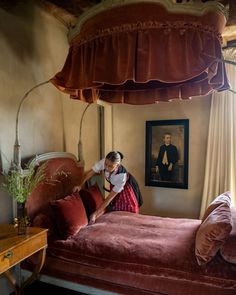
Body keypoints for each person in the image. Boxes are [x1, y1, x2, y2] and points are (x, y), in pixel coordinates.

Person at [73, 151, 143, 224]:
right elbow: (90, 173)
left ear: (117, 165)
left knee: (127, 213)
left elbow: (109, 198)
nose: (106, 167)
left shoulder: (121, 176)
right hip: (114, 185)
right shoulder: (104, 162)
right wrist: (80, 185)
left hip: (126, 187)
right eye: (106, 164)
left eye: (110, 166)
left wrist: (95, 214)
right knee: (115, 212)